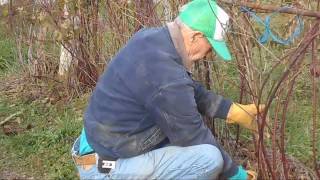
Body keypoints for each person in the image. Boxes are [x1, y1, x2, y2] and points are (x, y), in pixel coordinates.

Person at [71, 0, 264, 179]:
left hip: (100, 147)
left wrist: (230, 110)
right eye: (210, 47)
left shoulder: (151, 39)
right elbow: (192, 136)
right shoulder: (167, 77)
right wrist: (237, 175)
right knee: (209, 159)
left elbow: (184, 90)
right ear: (196, 36)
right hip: (105, 168)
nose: (208, 55)